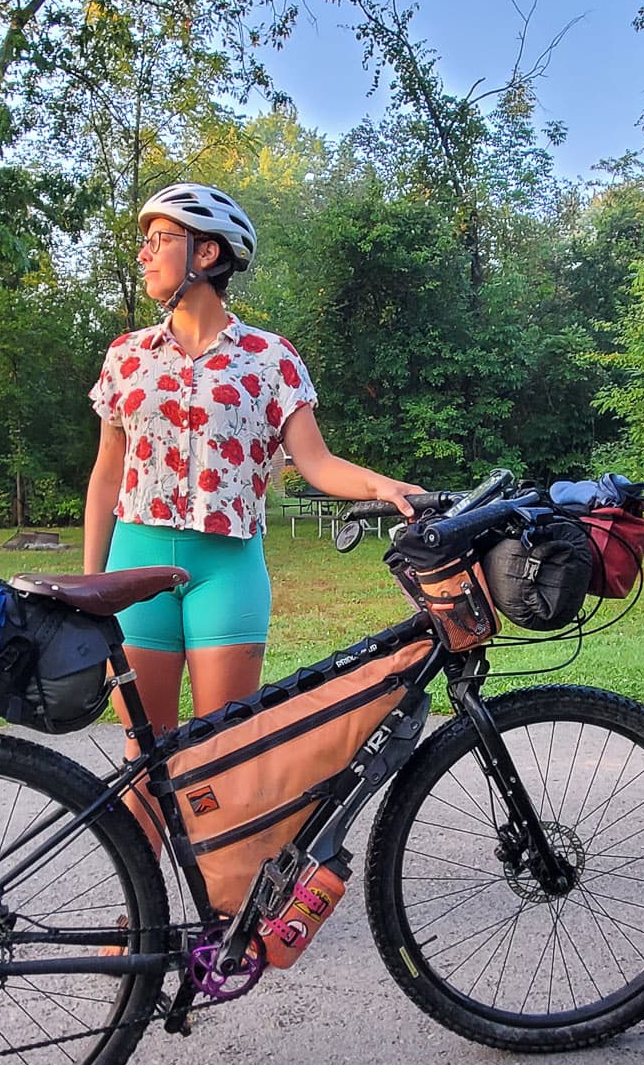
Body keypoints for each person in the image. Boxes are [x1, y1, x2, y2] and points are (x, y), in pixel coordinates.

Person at [84, 182, 421, 743]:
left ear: (206, 252)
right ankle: (141, 839)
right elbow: (106, 475)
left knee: (224, 753)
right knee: (145, 756)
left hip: (228, 572)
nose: (142, 253)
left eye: (158, 239)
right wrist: (90, 587)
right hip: (132, 568)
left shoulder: (270, 358)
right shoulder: (126, 355)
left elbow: (316, 462)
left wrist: (385, 488)